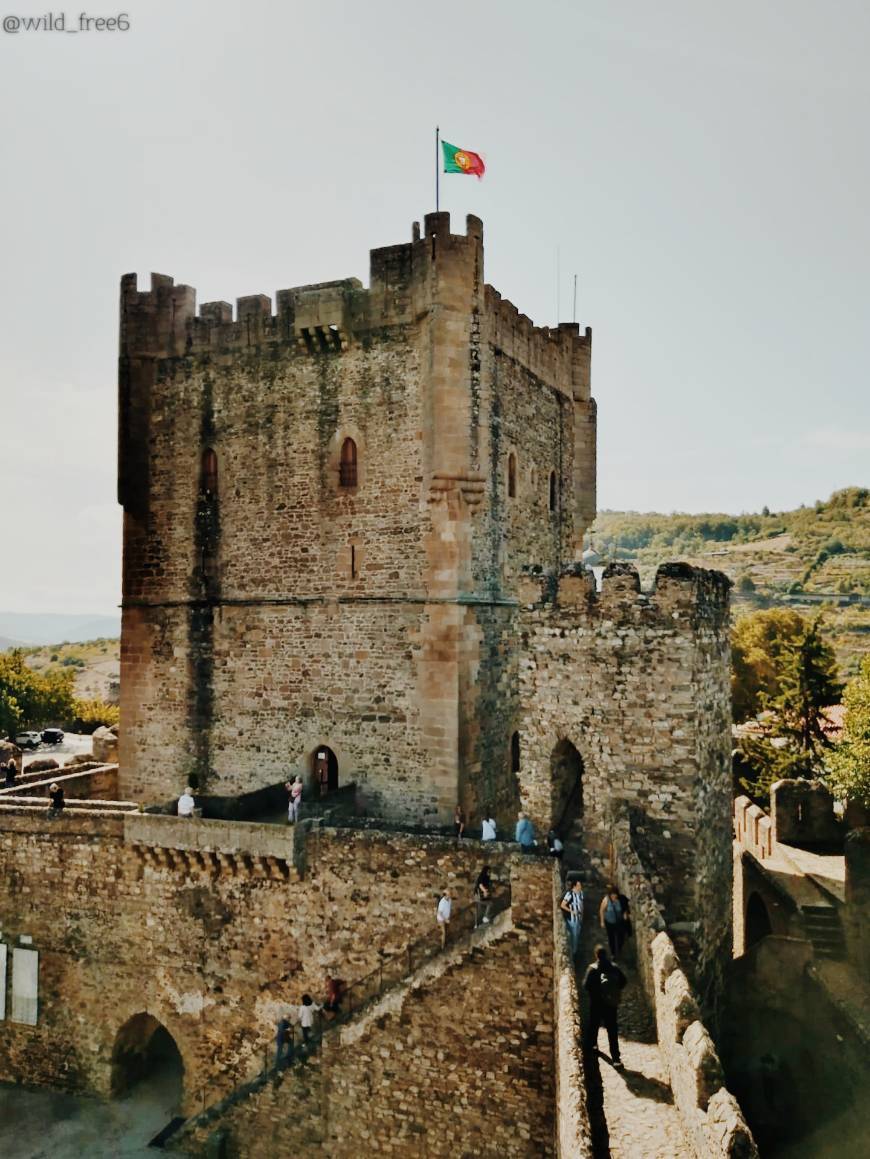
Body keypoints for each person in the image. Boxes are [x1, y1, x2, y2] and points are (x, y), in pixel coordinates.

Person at [584, 945, 626, 1067]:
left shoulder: (592, 969)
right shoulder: (614, 968)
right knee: (612, 1031)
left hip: (596, 1004)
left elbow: (586, 986)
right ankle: (616, 1059)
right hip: (611, 1005)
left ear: (596, 955)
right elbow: (623, 981)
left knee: (594, 1025)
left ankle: (593, 1046)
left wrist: (595, 993)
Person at [599, 885, 630, 960]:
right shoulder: (606, 900)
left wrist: (625, 914)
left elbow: (625, 908)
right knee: (611, 938)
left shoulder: (621, 900)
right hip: (609, 923)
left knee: (620, 938)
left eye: (615, 894)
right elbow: (602, 910)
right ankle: (613, 953)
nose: (613, 896)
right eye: (612, 894)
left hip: (619, 922)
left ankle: (619, 950)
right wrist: (602, 921)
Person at [560, 879, 584, 957]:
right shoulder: (569, 894)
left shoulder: (581, 893)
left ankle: (574, 951)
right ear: (574, 886)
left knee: (576, 935)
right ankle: (574, 953)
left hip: (579, 919)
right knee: (574, 937)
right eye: (579, 885)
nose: (580, 887)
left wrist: (582, 915)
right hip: (573, 920)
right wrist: (572, 911)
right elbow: (562, 905)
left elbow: (582, 904)